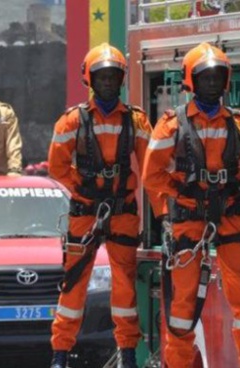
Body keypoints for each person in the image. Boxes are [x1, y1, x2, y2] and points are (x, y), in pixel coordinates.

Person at [142, 42, 240, 368]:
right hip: (189, 219)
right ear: (191, 80)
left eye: (218, 77)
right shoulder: (172, 125)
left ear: (226, 80)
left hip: (231, 217)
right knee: (182, 307)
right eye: (205, 77)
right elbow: (151, 174)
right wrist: (181, 195)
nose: (212, 83)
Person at [47, 43, 165, 368]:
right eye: (102, 77)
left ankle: (127, 354)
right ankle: (60, 355)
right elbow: (56, 167)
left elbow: (152, 172)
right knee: (73, 286)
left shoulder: (137, 121)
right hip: (85, 214)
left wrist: (165, 217)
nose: (108, 82)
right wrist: (83, 190)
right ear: (90, 79)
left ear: (122, 79)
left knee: (125, 286)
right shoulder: (72, 121)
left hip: (123, 213)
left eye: (113, 76)